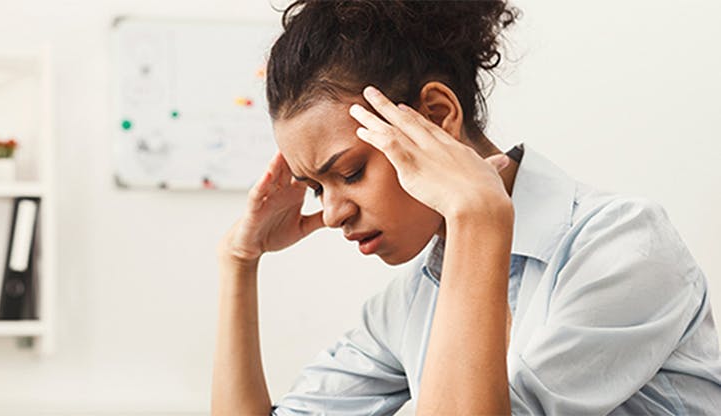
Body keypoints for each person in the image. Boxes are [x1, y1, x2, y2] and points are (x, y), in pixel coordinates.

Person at [211, 1, 721, 414]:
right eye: (316, 188)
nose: (331, 213)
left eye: (349, 173)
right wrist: (240, 260)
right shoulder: (410, 302)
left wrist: (478, 216)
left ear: (435, 115)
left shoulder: (625, 246)